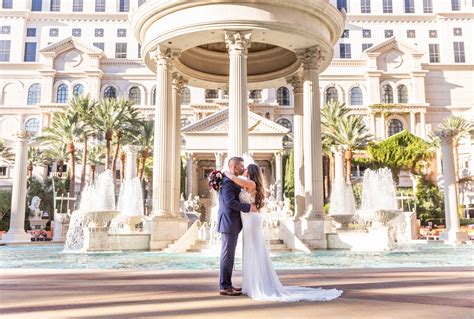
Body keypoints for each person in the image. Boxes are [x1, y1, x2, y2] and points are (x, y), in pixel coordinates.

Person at [224, 163, 343, 302]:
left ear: (250, 172)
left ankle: (258, 284)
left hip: (251, 220)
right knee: (251, 249)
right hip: (249, 219)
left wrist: (224, 173)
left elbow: (232, 177)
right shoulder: (249, 183)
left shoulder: (250, 183)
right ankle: (253, 283)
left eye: (245, 170)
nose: (243, 171)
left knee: (254, 249)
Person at [218, 157, 258, 296]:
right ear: (234, 167)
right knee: (227, 255)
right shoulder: (228, 182)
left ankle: (228, 284)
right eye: (241, 166)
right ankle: (224, 286)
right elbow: (230, 203)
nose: (243, 168)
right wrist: (248, 207)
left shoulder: (232, 180)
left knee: (230, 255)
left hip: (233, 222)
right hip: (228, 222)